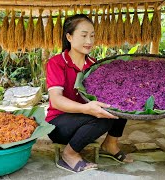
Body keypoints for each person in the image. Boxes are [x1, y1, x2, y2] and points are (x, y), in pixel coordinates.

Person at [46, 14, 133, 173]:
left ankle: (110, 144)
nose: (89, 41)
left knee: (121, 105)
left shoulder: (94, 65)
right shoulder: (57, 63)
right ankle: (69, 155)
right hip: (57, 124)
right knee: (102, 119)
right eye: (84, 35)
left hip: (84, 121)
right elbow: (56, 100)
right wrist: (87, 109)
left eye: (92, 36)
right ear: (69, 37)